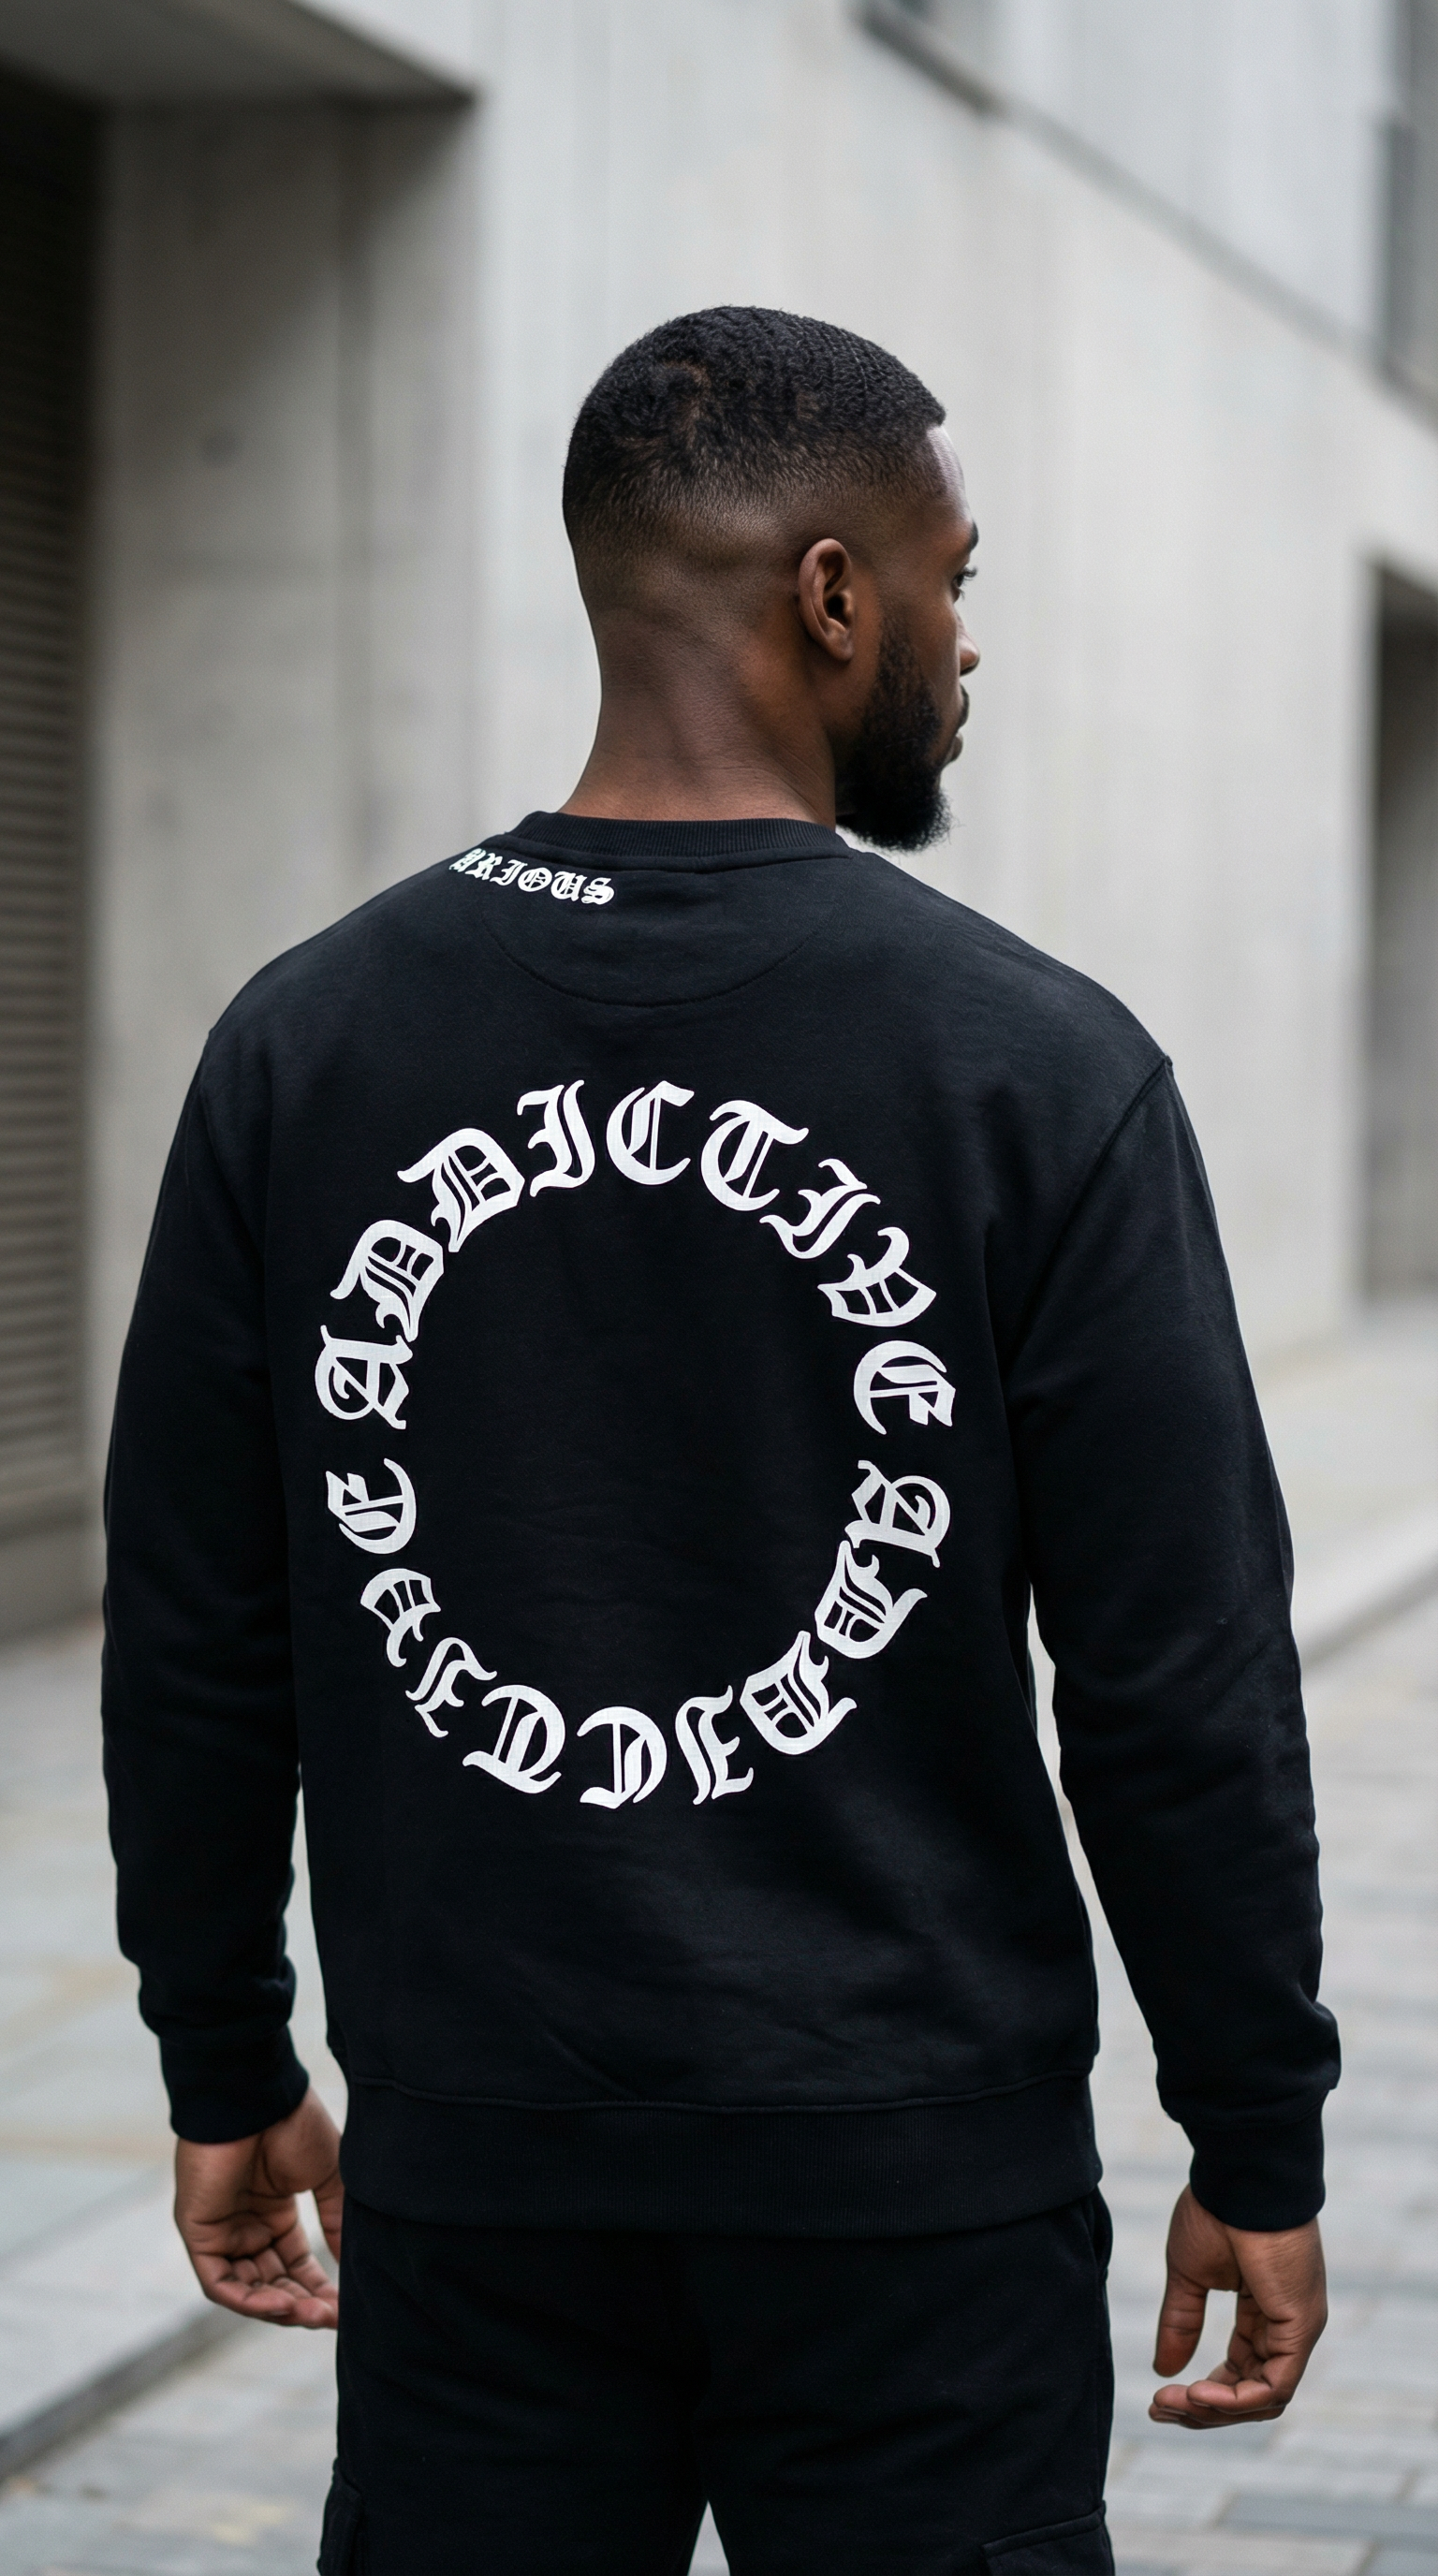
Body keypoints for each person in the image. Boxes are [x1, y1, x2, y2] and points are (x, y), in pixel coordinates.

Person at [103, 307, 1338, 2576]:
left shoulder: (307, 1044)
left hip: (482, 2168)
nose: (971, 641)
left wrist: (227, 2055)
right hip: (915, 2189)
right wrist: (1254, 2127)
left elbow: (198, 1627)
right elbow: (1182, 1679)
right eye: (957, 579)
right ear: (834, 595)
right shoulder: (1036, 1068)